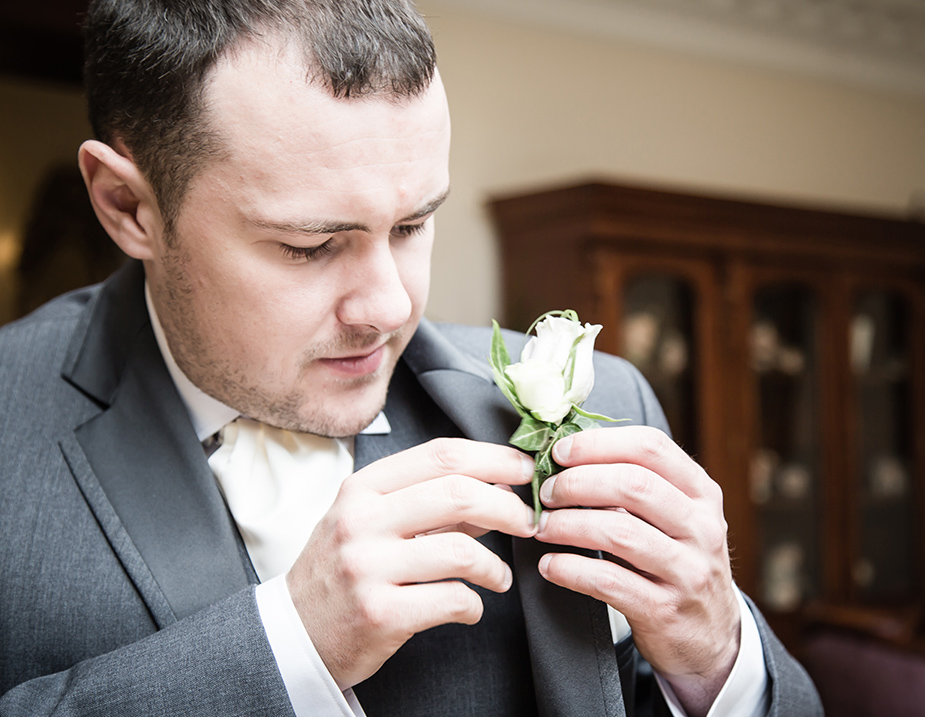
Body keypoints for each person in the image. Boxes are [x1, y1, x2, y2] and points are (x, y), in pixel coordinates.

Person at [0, 0, 822, 715]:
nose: (390, 305)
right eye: (310, 245)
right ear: (127, 206)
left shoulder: (606, 400)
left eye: (414, 224)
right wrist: (287, 647)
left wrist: (719, 659)